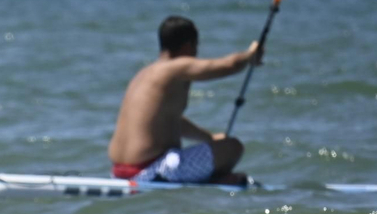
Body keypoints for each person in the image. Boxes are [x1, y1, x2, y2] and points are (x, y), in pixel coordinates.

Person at [108, 15, 262, 186]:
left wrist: (208, 137)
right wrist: (250, 55)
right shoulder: (175, 67)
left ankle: (209, 178)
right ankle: (215, 180)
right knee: (232, 148)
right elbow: (229, 65)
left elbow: (169, 120)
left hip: (118, 173)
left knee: (218, 146)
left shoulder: (143, 74)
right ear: (188, 46)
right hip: (152, 171)